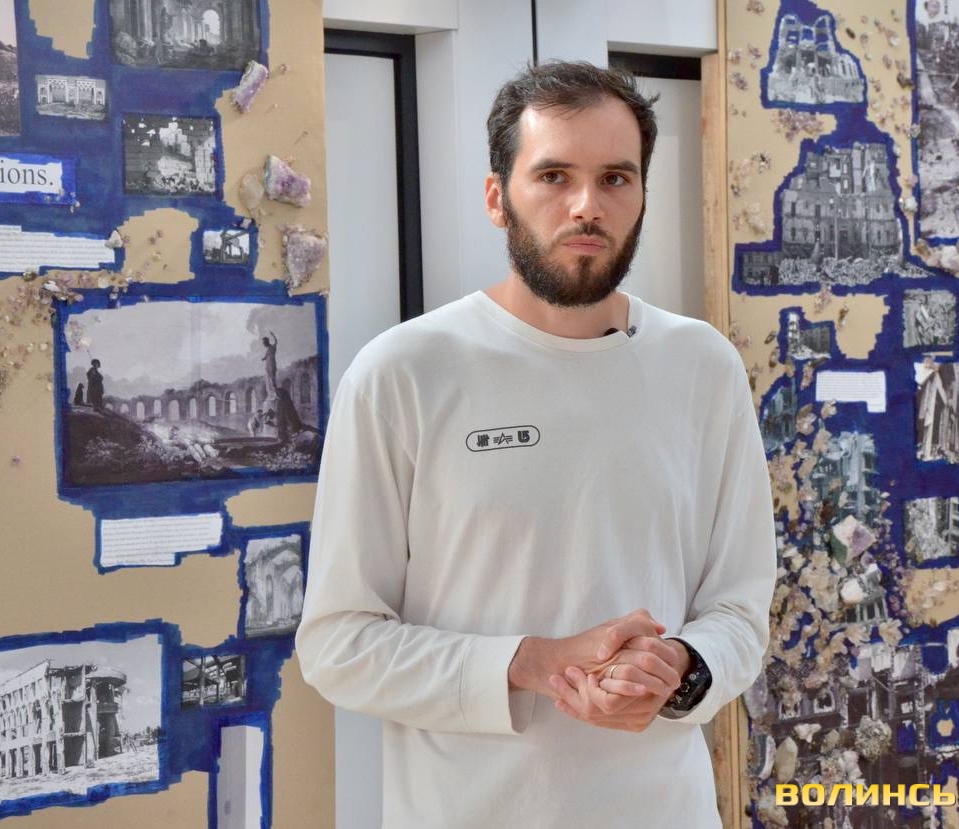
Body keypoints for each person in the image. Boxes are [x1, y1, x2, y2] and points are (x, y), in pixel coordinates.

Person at [296, 61, 777, 827]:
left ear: (642, 194)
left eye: (615, 178)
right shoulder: (403, 373)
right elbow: (338, 644)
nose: (587, 205)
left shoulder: (703, 366)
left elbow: (740, 608)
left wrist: (683, 667)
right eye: (554, 175)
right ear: (497, 197)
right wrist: (531, 662)